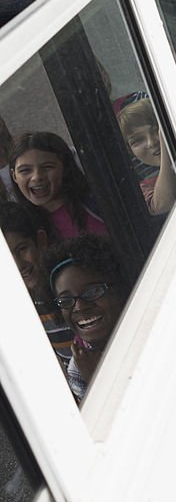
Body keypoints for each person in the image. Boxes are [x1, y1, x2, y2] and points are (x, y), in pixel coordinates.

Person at [43, 235, 129, 401]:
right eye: (66, 301)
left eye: (93, 292)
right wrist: (92, 378)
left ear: (119, 288)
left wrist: (98, 377)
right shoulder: (78, 368)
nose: (79, 307)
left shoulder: (150, 329)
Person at [0, 202, 74, 373]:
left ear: (40, 240)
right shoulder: (24, 305)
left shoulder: (70, 284)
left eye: (22, 249)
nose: (18, 265)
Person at [8, 132, 107, 240]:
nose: (36, 177)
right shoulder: (17, 226)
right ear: (14, 176)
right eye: (25, 170)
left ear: (65, 168)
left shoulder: (98, 201)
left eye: (47, 167)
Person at [114, 92, 176, 215]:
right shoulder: (142, 188)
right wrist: (165, 152)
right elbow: (163, 205)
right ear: (130, 151)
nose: (151, 143)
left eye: (155, 131)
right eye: (137, 140)